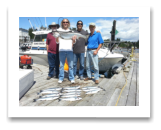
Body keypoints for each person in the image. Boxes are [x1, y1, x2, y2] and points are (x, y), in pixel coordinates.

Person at [56, 19, 76, 84]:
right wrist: (56, 37)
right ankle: (61, 78)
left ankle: (71, 78)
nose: (65, 23)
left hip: (70, 50)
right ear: (62, 23)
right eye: (64, 22)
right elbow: (57, 42)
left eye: (66, 22)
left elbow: (74, 42)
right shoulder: (58, 31)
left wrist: (74, 40)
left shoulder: (71, 31)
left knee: (71, 66)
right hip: (61, 50)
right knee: (61, 66)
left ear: (68, 23)